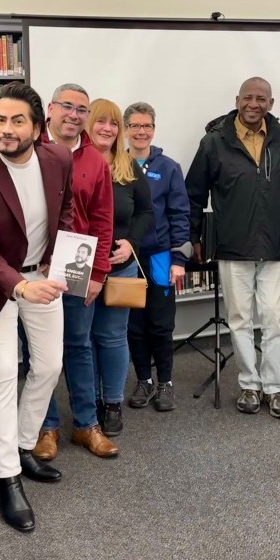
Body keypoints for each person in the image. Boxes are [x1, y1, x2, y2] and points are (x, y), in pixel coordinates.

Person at [0, 82, 73, 532]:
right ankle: (8, 475)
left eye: (17, 121)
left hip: (42, 276)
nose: (6, 130)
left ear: (38, 126)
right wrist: (19, 287)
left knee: (48, 366)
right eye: (0, 120)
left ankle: (25, 445)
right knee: (4, 372)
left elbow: (63, 211)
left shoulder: (58, 158)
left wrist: (56, 256)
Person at [185, 77, 280, 418]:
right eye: (248, 97)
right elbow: (194, 193)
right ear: (237, 99)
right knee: (239, 320)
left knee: (277, 321)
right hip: (233, 248)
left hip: (275, 247)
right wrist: (196, 238)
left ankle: (275, 389)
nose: (254, 104)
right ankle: (249, 384)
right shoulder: (214, 142)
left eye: (261, 98)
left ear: (271, 104)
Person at [33, 83, 117, 460]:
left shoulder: (96, 161)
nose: (74, 114)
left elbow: (102, 219)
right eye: (66, 106)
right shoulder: (28, 148)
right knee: (38, 351)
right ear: (50, 109)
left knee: (78, 346)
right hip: (33, 268)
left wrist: (98, 273)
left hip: (77, 266)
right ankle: (47, 427)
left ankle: (86, 425)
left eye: (81, 109)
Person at [85, 99, 153, 436]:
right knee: (81, 339)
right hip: (81, 267)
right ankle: (90, 403)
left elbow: (146, 212)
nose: (107, 129)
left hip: (119, 266)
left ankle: (112, 402)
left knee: (111, 337)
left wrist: (131, 243)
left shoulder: (128, 166)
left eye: (114, 124)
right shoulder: (73, 162)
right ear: (88, 124)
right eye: (101, 122)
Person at [124, 102, 190, 412]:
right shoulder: (115, 165)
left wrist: (179, 259)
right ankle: (143, 381)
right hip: (127, 259)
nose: (141, 131)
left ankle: (165, 383)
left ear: (154, 129)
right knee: (134, 325)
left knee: (161, 324)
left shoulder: (169, 167)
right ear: (126, 130)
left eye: (146, 126)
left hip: (162, 257)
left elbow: (180, 214)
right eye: (135, 125)